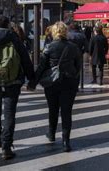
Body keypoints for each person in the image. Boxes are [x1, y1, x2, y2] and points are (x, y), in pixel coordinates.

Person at [35, 22, 81, 152]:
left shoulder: (49, 47)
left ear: (54, 32)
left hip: (52, 83)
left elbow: (42, 67)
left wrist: (33, 82)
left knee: (52, 109)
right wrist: (74, 79)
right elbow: (78, 67)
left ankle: (51, 134)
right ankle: (66, 141)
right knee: (67, 112)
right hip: (69, 83)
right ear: (65, 32)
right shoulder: (73, 47)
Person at [0, 15, 36, 159]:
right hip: (13, 82)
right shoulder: (14, 38)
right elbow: (25, 60)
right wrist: (32, 79)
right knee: (9, 114)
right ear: (8, 25)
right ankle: (6, 148)